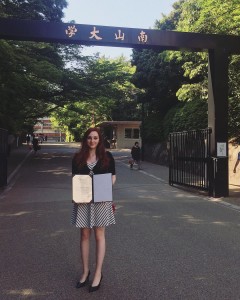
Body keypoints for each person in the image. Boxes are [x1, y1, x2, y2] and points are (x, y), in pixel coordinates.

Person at [71, 127, 116, 293]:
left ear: (99, 140)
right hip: (83, 201)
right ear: (85, 139)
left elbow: (113, 176)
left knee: (99, 235)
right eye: (89, 138)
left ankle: (98, 273)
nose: (92, 141)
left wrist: (104, 188)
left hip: (101, 201)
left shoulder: (107, 157)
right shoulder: (77, 158)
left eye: (95, 138)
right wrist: (76, 194)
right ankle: (85, 271)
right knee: (84, 234)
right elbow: (75, 179)